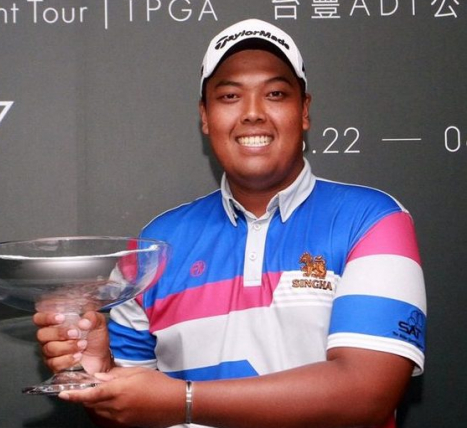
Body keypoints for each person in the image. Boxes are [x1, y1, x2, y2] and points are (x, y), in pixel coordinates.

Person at [34, 18, 426, 428]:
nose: (253, 113)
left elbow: (365, 395)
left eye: (275, 94)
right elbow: (129, 414)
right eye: (230, 96)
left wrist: (185, 400)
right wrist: (98, 371)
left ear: (304, 111)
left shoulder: (372, 220)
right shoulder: (155, 246)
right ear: (205, 116)